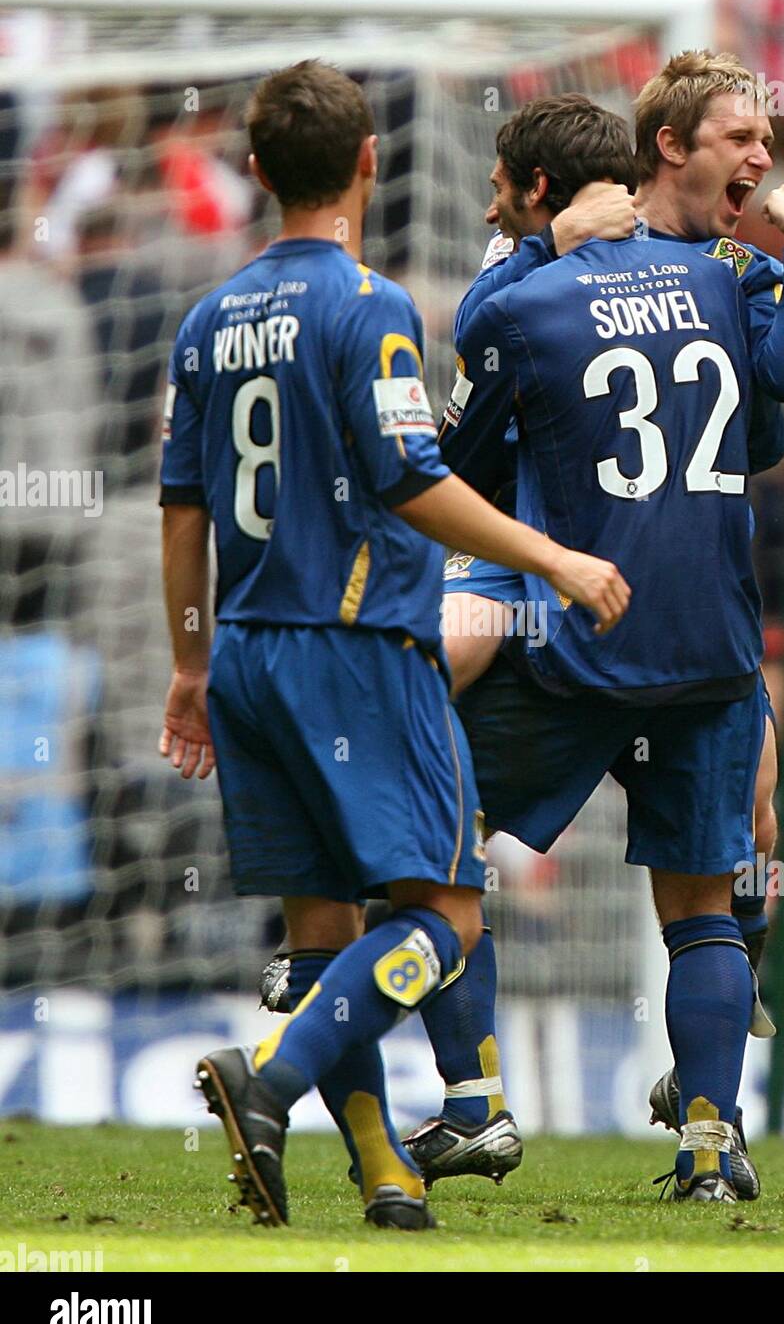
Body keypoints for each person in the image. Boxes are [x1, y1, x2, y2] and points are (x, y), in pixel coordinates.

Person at [159, 60, 629, 1230]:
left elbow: (182, 507)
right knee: (443, 916)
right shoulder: (368, 307)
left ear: (257, 170)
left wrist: (184, 665)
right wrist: (554, 557)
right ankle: (267, 1078)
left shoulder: (206, 319)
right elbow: (410, 478)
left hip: (247, 651)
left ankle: (383, 1174)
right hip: (355, 642)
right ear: (372, 159)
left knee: (320, 929)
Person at [406, 58, 784, 1199]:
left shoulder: (533, 290)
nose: (757, 160)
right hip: (702, 637)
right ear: (661, 154)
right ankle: (706, 1137)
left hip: (581, 621)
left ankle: (477, 1101)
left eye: (763, 141)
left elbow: (460, 448)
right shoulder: (727, 276)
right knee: (707, 890)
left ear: (535, 189)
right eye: (737, 139)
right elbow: (780, 408)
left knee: (427, 846)